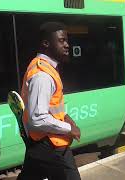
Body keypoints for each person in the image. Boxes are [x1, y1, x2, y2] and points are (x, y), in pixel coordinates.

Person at [17, 22, 81, 180]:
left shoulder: (47, 68)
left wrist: (65, 116)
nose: (67, 45)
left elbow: (51, 105)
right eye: (61, 40)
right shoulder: (42, 75)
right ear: (46, 43)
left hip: (41, 142)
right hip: (50, 144)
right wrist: (69, 128)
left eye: (66, 40)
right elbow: (37, 119)